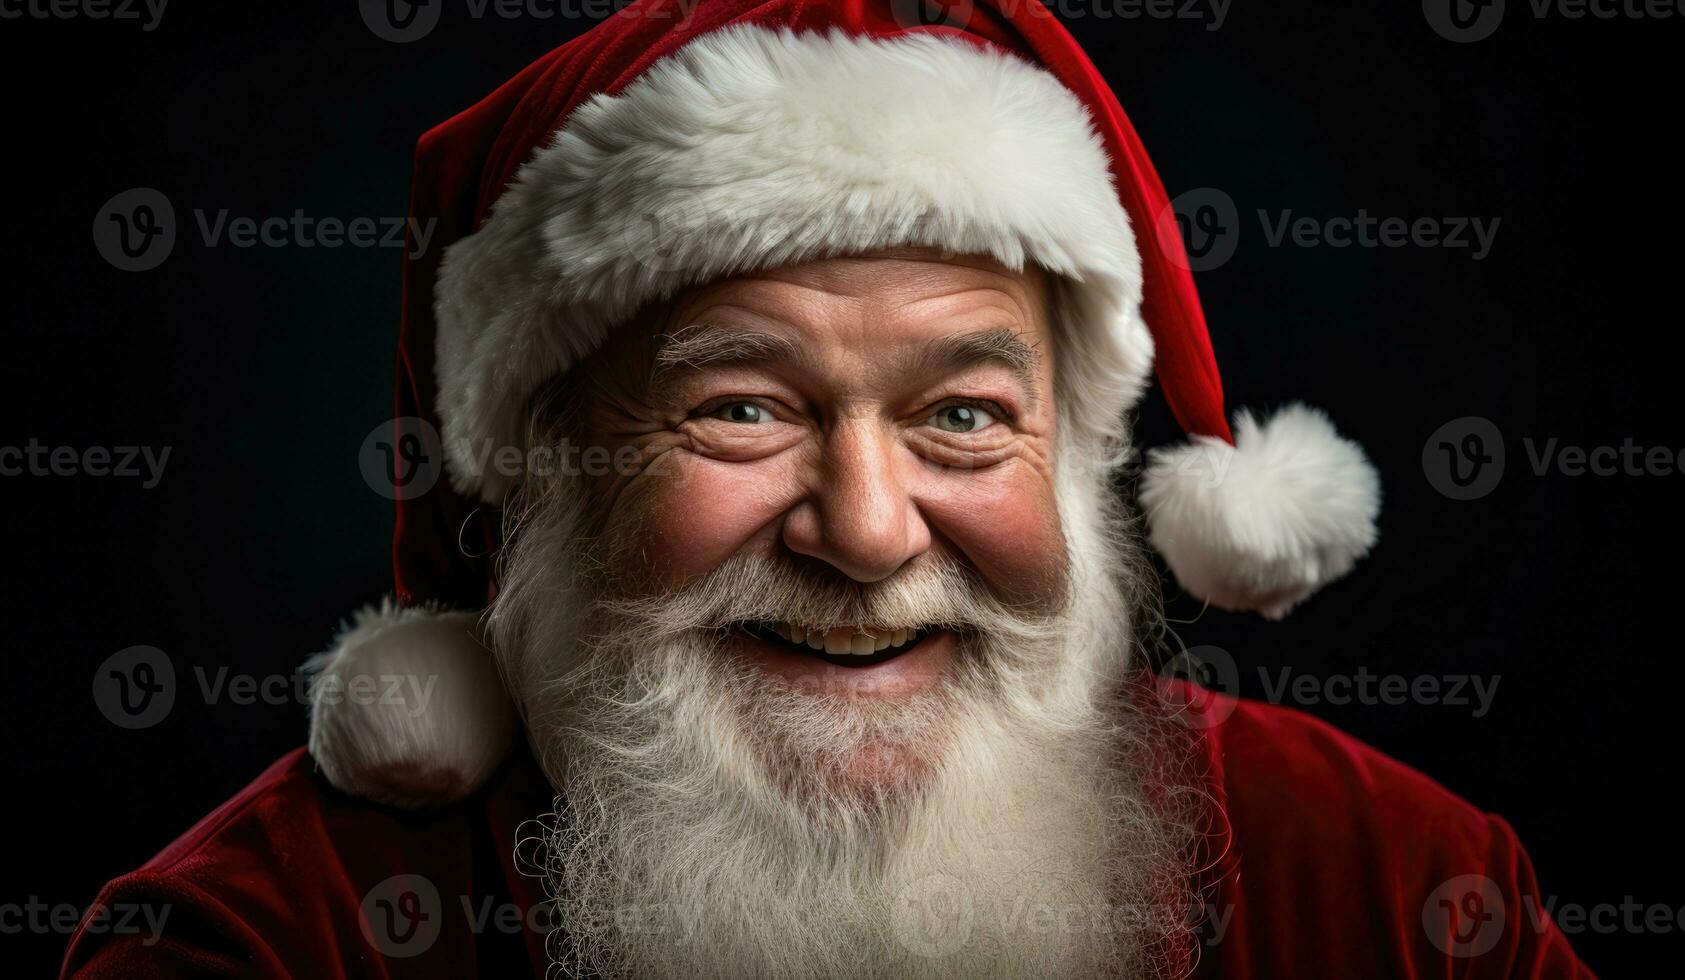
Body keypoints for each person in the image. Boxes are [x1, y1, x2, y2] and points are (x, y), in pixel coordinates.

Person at [63, 1, 1594, 976]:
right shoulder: (262, 944)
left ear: (1074, 458)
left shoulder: (1395, 889)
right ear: (534, 472)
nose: (867, 533)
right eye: (738, 408)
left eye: (963, 420)